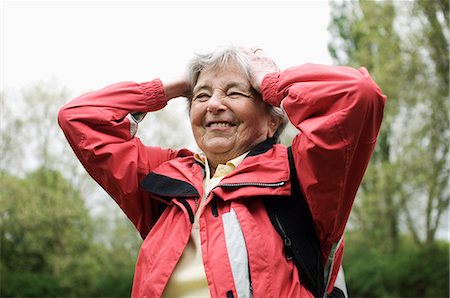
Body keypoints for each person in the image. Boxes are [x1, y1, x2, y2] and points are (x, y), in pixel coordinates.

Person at [58, 46, 386, 297]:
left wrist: (269, 83)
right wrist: (174, 87)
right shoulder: (165, 178)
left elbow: (357, 95)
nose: (214, 104)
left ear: (273, 120)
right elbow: (79, 118)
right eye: (201, 96)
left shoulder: (301, 173)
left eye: (234, 92)